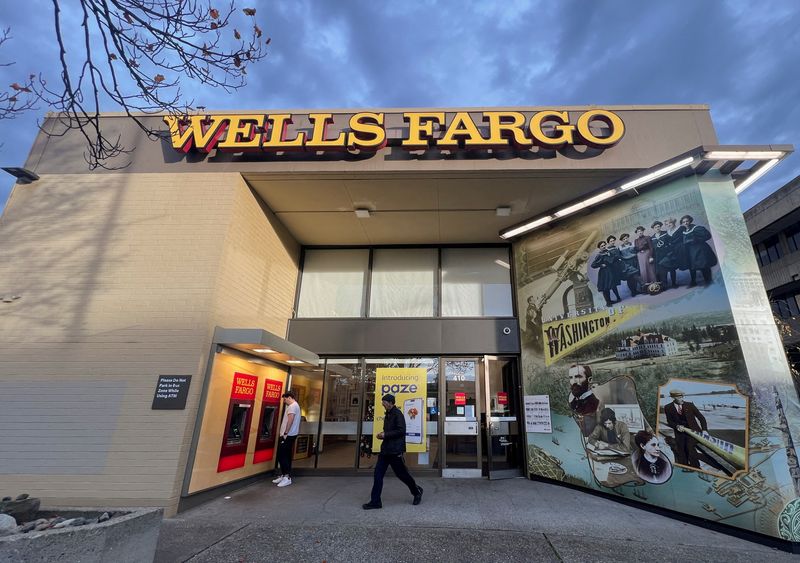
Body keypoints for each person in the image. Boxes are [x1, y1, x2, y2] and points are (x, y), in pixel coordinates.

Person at [362, 394, 423, 510]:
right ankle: (375, 502)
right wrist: (383, 435)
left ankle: (416, 491)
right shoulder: (388, 414)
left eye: (384, 401)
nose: (382, 404)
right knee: (378, 475)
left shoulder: (397, 414)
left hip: (395, 451)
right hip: (385, 451)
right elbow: (390, 431)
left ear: (390, 402)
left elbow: (401, 430)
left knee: (402, 475)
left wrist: (386, 434)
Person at [664, 389, 708, 468]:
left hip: (694, 433)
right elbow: (669, 421)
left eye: (682, 396)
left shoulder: (690, 405)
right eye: (679, 397)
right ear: (673, 397)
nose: (682, 398)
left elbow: (701, 418)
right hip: (680, 433)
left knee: (689, 447)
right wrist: (676, 426)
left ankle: (696, 467)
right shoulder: (668, 407)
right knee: (681, 450)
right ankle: (684, 467)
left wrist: (704, 430)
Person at [273, 390, 301, 487]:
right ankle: (284, 474)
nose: (285, 402)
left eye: (285, 399)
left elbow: (290, 420)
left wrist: (285, 432)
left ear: (289, 397)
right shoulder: (295, 406)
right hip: (290, 434)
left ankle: (286, 477)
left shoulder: (292, 406)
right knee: (286, 455)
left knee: (282, 455)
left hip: (288, 435)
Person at [679, 215, 718, 286]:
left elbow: (708, 235)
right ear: (682, 223)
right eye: (684, 222)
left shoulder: (696, 228)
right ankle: (693, 282)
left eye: (687, 221)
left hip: (700, 250)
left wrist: (696, 240)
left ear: (690, 221)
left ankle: (708, 281)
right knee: (692, 266)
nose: (686, 223)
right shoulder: (684, 231)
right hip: (690, 251)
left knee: (704, 265)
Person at [591, 241, 619, 307]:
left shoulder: (609, 252)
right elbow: (593, 265)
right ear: (599, 248)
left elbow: (615, 258)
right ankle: (608, 302)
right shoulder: (599, 255)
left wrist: (611, 256)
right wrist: (600, 265)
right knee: (605, 288)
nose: (603, 247)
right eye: (602, 246)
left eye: (604, 245)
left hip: (611, 271)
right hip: (604, 273)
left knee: (613, 285)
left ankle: (618, 298)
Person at [651, 221, 676, 289]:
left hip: (667, 254)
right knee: (662, 271)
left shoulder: (665, 233)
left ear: (660, 227)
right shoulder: (652, 238)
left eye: (658, 226)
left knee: (672, 269)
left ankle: (674, 283)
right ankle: (665, 285)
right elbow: (652, 248)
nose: (657, 228)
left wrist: (670, 252)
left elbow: (671, 242)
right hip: (658, 256)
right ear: (653, 228)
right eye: (655, 227)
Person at [605, 235, 623, 302]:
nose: (612, 242)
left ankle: (634, 291)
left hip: (619, 267)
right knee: (613, 284)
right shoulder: (607, 251)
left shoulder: (616, 248)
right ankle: (618, 297)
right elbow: (609, 260)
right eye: (611, 241)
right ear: (608, 242)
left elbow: (620, 256)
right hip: (612, 268)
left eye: (613, 241)